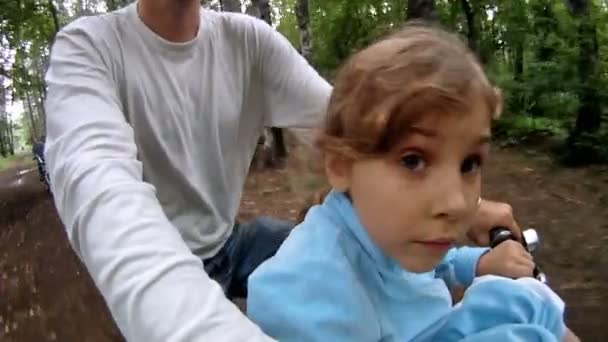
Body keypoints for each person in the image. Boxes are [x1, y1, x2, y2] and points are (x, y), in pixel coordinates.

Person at [44, 0, 526, 340]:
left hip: (227, 242)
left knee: (360, 259)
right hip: (164, 254)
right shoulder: (90, 47)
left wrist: (470, 208)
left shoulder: (247, 42)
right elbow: (97, 185)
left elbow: (359, 136)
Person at [246, 24, 578, 341]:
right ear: (341, 165)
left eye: (470, 163)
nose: (457, 204)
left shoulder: (389, 230)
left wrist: (477, 262)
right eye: (413, 161)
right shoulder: (308, 295)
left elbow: (427, 267)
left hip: (432, 329)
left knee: (526, 299)